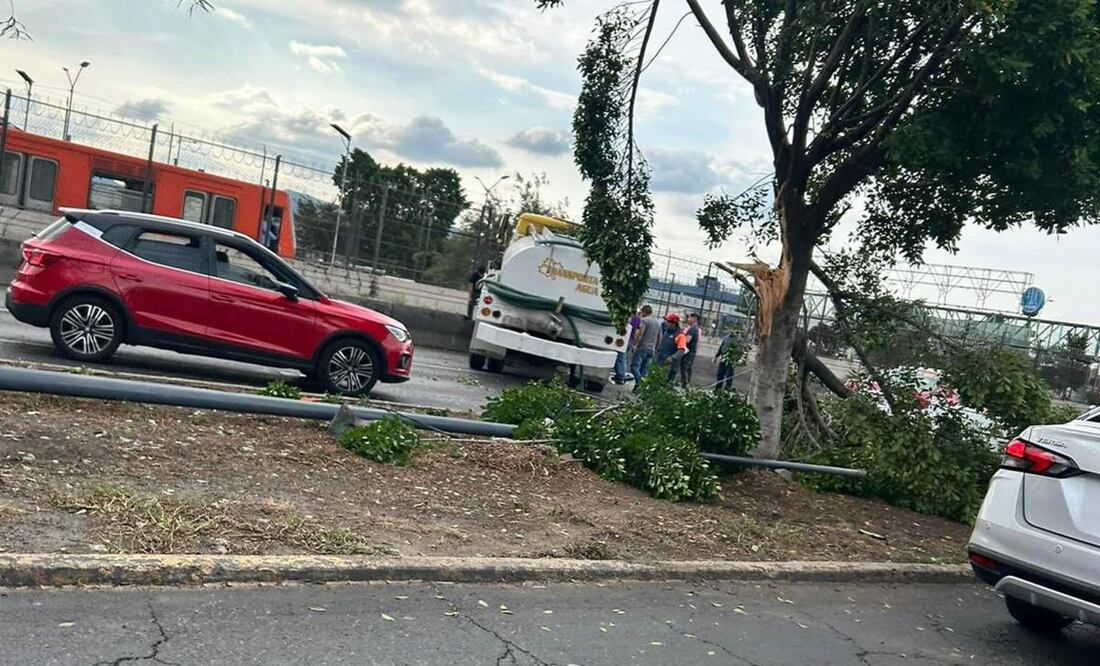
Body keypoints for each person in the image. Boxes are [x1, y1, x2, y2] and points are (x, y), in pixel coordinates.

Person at [630, 305, 660, 382]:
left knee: (634, 367)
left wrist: (635, 345)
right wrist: (656, 348)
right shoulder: (657, 322)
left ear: (643, 312)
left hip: (643, 347)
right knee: (644, 370)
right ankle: (640, 387)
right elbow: (659, 337)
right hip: (652, 349)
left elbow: (640, 333)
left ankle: (640, 383)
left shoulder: (644, 320)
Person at [656, 313, 688, 384]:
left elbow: (681, 350)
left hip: (670, 367)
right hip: (661, 363)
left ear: (674, 323)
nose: (666, 323)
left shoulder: (681, 335)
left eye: (668, 322)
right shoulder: (667, 332)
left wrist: (672, 358)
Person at [679, 312, 701, 389]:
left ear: (694, 319)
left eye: (689, 318)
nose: (688, 319)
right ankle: (686, 383)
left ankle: (685, 384)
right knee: (688, 368)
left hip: (689, 352)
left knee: (685, 367)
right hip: (691, 352)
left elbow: (687, 340)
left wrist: (680, 338)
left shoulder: (692, 329)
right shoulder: (694, 329)